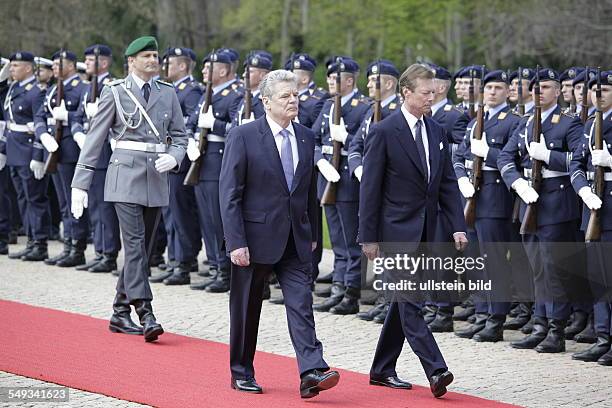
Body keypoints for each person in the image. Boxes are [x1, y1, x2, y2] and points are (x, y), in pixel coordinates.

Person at [219, 69, 340, 398]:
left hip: (296, 238)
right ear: (266, 101)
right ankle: (241, 371)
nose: (293, 101)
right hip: (254, 238)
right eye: (286, 96)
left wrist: (313, 231)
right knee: (247, 308)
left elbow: (307, 190)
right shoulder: (243, 136)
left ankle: (312, 370)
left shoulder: (305, 136)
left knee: (301, 303)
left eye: (296, 95)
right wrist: (236, 242)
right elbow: (229, 193)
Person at [70, 36, 188, 342]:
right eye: (147, 55)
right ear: (131, 61)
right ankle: (145, 311)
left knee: (143, 250)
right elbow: (95, 140)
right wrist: (79, 184)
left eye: (155, 55)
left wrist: (173, 158)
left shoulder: (167, 93)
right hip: (124, 176)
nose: (153, 60)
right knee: (135, 246)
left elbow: (179, 136)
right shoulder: (115, 91)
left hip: (156, 178)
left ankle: (119, 313)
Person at [359, 63, 466, 398]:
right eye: (425, 93)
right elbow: (370, 190)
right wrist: (369, 237)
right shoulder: (384, 131)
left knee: (402, 303)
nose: (431, 98)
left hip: (427, 232)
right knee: (411, 301)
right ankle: (435, 368)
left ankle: (381, 369)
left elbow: (447, 184)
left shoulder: (436, 130)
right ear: (406, 92)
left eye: (434, 92)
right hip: (393, 233)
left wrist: (457, 227)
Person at [35, 50, 90, 267]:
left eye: (60, 64)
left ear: (72, 66)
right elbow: (39, 115)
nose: (55, 68)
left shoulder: (81, 88)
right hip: (53, 147)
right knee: (62, 200)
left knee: (72, 199)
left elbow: (81, 115)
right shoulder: (52, 89)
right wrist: (44, 135)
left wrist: (67, 117)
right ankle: (68, 243)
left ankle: (78, 246)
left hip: (69, 149)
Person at [72, 44, 122, 273]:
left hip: (105, 154)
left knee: (105, 207)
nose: (87, 64)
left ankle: (109, 253)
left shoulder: (113, 86)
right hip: (89, 152)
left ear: (104, 62)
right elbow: (76, 117)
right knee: (93, 205)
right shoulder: (87, 87)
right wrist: (79, 134)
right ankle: (100, 250)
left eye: (90, 60)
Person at [1, 51, 50, 261]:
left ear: (28, 68)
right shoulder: (14, 88)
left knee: (35, 198)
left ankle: (40, 243)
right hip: (14, 148)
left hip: (29, 150)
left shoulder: (36, 92)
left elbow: (41, 124)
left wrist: (38, 154)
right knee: (22, 198)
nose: (11, 70)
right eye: (11, 66)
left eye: (15, 66)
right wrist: (3, 150)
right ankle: (30, 240)